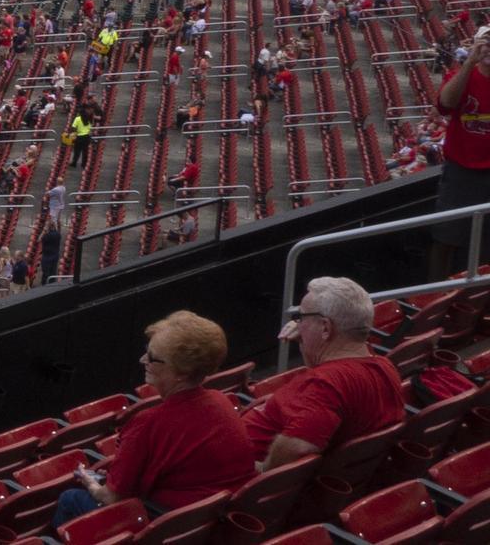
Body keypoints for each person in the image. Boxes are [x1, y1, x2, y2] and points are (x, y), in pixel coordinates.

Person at [52, 311, 254, 528]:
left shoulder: (148, 423)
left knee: (70, 498)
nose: (143, 360)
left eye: (152, 357)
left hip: (171, 525)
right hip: (210, 520)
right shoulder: (221, 400)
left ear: (182, 373)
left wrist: (93, 485)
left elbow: (113, 498)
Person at [243, 277, 404, 470]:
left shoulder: (324, 385)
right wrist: (307, 339)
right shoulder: (384, 366)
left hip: (243, 477)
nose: (297, 325)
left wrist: (262, 472)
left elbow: (298, 448)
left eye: (301, 318)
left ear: (326, 327)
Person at [433, 26, 490, 278]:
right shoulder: (461, 75)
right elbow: (446, 103)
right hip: (461, 170)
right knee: (446, 236)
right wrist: (470, 63)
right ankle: (432, 295)